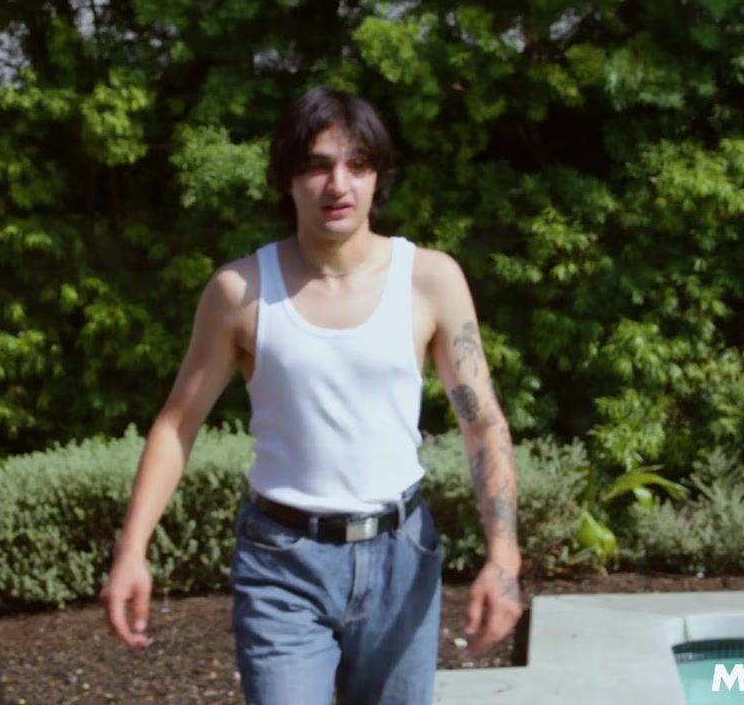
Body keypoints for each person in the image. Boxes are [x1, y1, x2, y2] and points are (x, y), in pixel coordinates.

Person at [101, 86, 522, 704]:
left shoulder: (430, 280)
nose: (338, 184)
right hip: (282, 565)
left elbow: (483, 424)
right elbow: (176, 425)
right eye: (318, 166)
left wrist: (504, 558)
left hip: (402, 557)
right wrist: (131, 552)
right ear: (287, 178)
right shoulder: (240, 291)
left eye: (358, 164)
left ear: (378, 177)